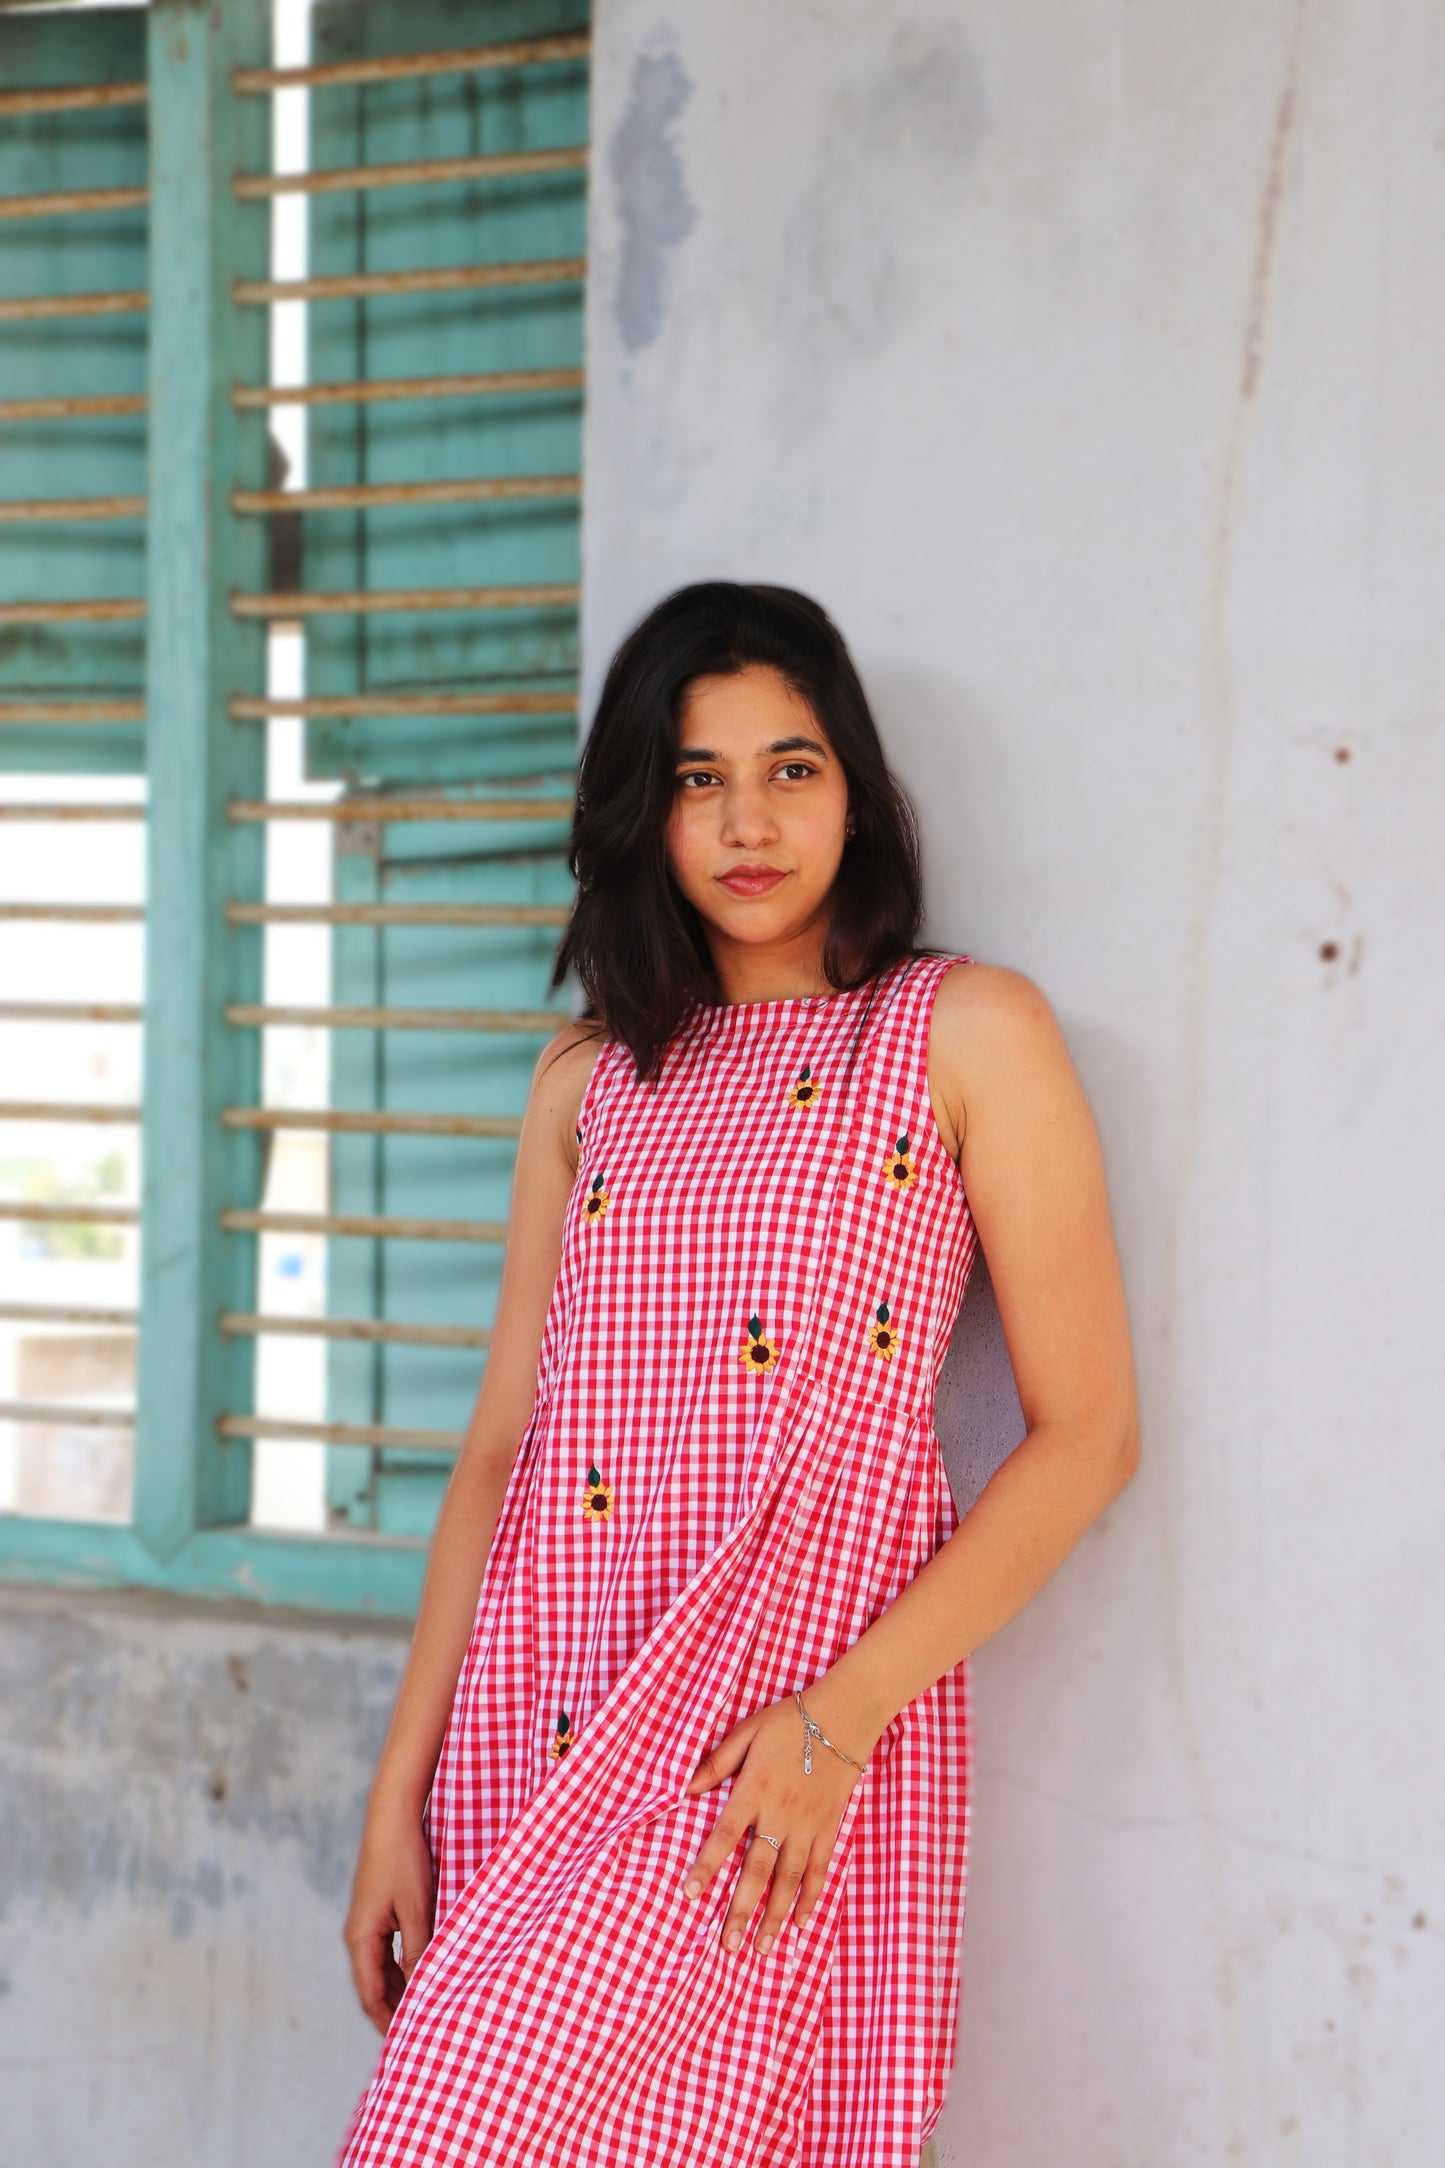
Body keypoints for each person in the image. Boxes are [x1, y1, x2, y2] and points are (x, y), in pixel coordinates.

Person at [336, 582, 1139, 2168]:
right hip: (542, 1714)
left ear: (857, 788)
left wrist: (834, 1724)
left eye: (791, 766)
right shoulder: (589, 1075)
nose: (748, 819)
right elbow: (506, 1447)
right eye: (697, 778)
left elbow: (1086, 1437)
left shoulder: (961, 1032)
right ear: (642, 812)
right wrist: (394, 1797)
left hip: (769, 1741)